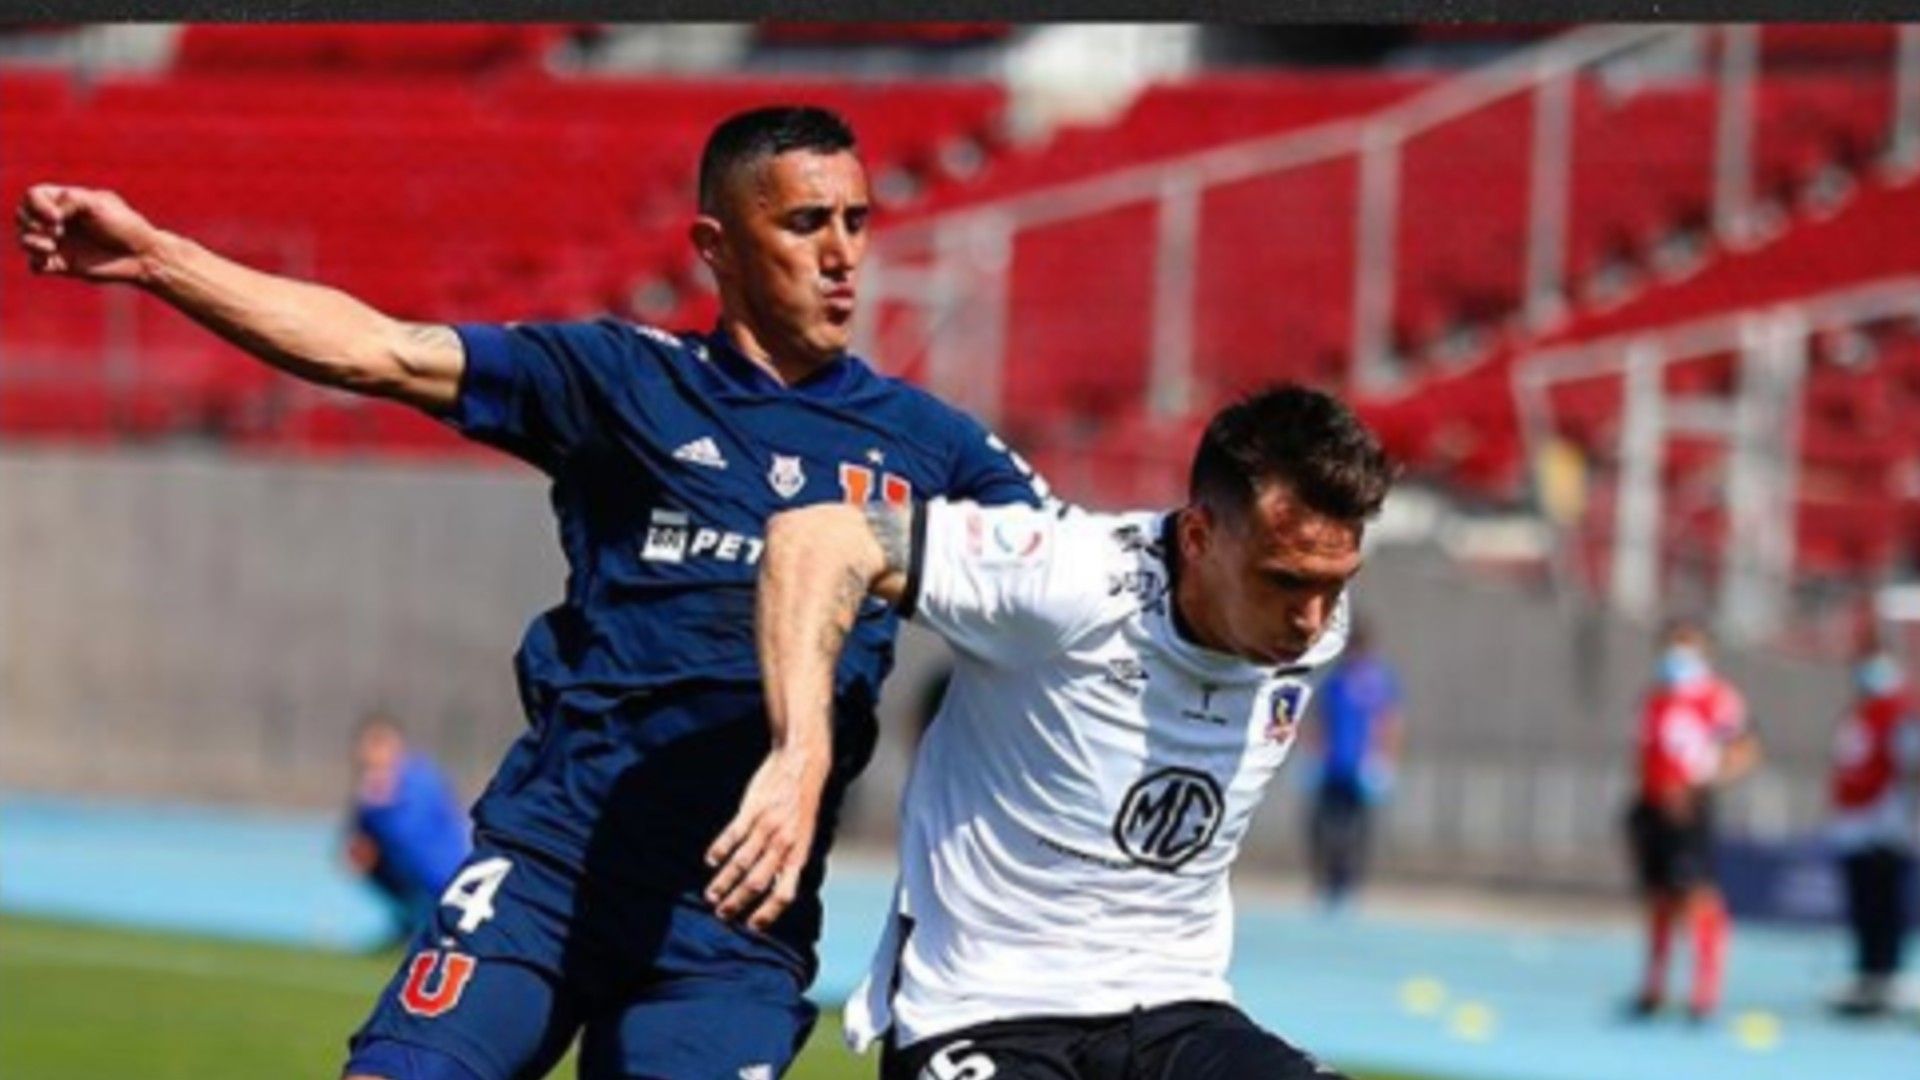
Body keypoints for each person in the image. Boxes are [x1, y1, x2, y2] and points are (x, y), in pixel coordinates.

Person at [17, 105, 1051, 1080]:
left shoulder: (936, 447)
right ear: (715, 246)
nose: (842, 255)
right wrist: (159, 259)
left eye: (857, 222)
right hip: (554, 872)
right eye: (805, 223)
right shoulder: (618, 378)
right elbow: (380, 349)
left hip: (737, 924)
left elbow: (1077, 585)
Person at [708, 384, 1396, 1078]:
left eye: (1336, 584)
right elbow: (816, 539)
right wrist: (799, 754)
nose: (1312, 617)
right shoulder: (1068, 577)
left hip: (1175, 1005)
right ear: (1197, 536)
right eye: (1284, 581)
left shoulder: (1312, 630)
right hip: (985, 1010)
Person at [1623, 618, 1761, 1022]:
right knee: (1659, 897)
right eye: (1672, 645)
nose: (1676, 656)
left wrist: (1700, 783)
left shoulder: (1718, 698)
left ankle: (1705, 987)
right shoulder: (1654, 699)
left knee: (1696, 893)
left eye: (1687, 646)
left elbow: (1744, 751)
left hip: (1689, 811)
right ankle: (1655, 983)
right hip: (1652, 809)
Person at [1825, 645, 1920, 1017]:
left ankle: (1889, 974)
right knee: (1863, 900)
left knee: (1887, 901)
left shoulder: (1902, 715)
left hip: (1889, 825)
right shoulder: (1858, 714)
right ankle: (1867, 973)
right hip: (1854, 826)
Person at [345, 713, 473, 949]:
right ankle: (410, 921)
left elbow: (411, 836)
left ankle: (423, 923)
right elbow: (358, 841)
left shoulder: (420, 778)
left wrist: (382, 806)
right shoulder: (370, 790)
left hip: (442, 874)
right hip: (408, 874)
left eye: (378, 744)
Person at [1303, 617, 1402, 911]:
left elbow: (1390, 722)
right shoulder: (1335, 679)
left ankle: (1350, 884)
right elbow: (1319, 718)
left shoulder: (1379, 681)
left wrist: (1384, 760)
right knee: (1323, 827)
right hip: (1333, 765)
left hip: (1361, 767)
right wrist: (1313, 753)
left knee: (1358, 830)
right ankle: (1324, 881)